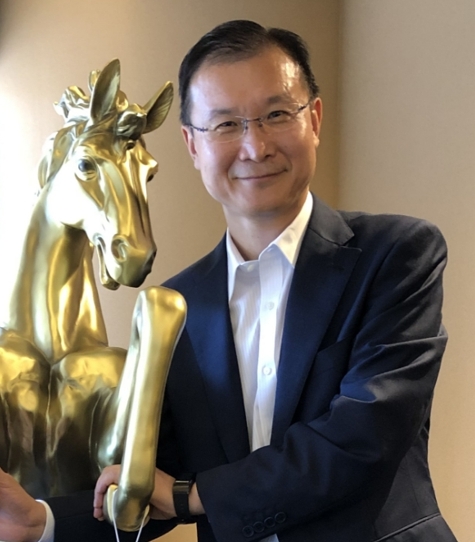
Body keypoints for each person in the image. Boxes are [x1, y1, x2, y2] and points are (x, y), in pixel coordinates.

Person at [0, 19, 457, 542]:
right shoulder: (177, 303)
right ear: (192, 145)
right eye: (225, 124)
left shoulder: (396, 253)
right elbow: (153, 481)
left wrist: (193, 496)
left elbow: (361, 439)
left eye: (276, 115)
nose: (255, 146)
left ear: (314, 119)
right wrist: (41, 521)